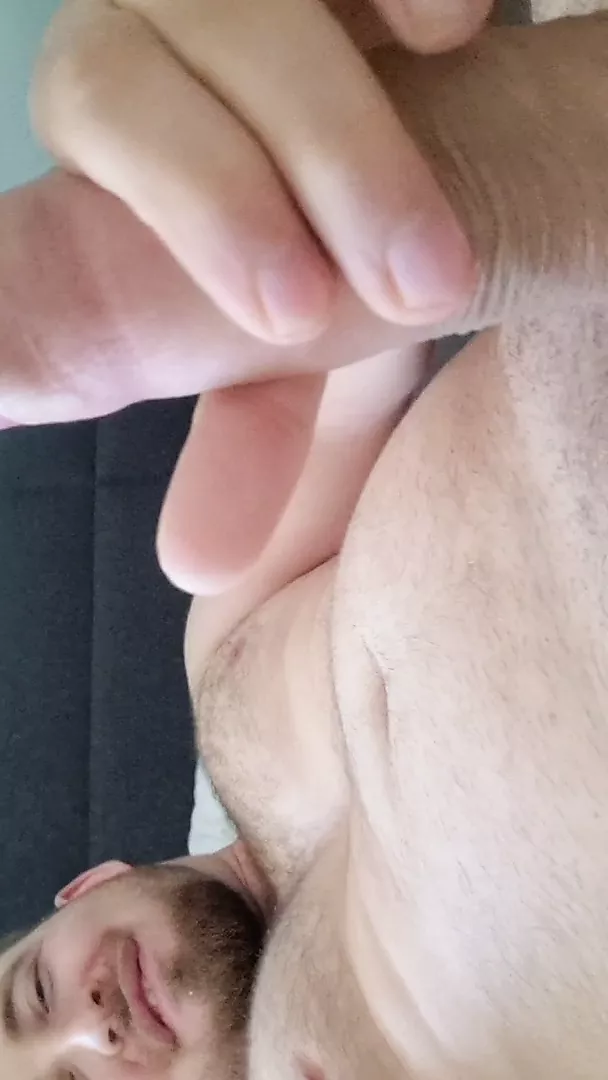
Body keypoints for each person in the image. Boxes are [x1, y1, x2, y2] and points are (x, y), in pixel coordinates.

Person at [3, 4, 608, 1080]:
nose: (91, 1026)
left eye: (33, 995)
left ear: (89, 887)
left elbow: (351, 337)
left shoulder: (227, 660)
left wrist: (323, 152)